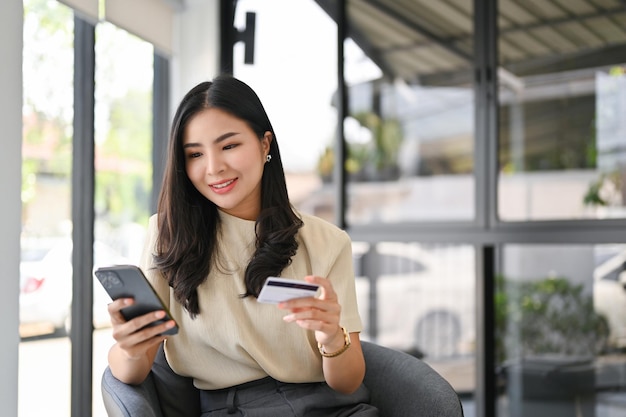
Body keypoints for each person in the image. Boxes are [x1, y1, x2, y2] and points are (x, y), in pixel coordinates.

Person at [106, 74, 379, 416]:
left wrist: (332, 339)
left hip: (331, 407)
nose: (214, 168)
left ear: (265, 144)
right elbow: (132, 370)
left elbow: (348, 382)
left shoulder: (328, 242)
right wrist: (130, 347)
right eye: (194, 154)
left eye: (229, 146)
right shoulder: (169, 233)